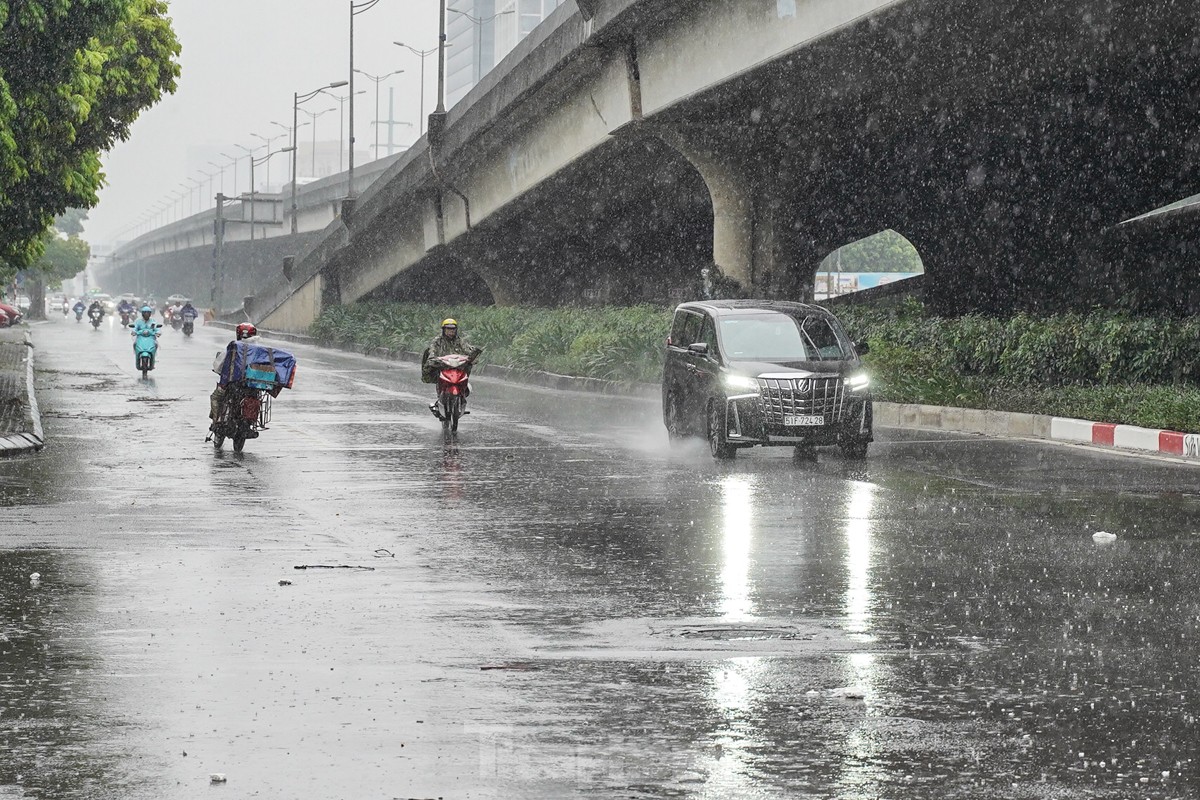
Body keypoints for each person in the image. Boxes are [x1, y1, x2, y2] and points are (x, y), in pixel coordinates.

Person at [421, 318, 483, 416]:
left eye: (453, 329)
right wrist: (434, 358)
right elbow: (432, 351)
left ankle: (462, 393)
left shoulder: (459, 340)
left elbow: (467, 349)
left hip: (458, 367)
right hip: (443, 366)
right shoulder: (437, 341)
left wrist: (473, 354)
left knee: (466, 371)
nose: (451, 331)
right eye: (448, 329)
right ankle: (439, 399)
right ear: (444, 330)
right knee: (434, 372)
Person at [210, 323, 260, 423]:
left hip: (232, 384)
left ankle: (217, 421)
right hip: (251, 387)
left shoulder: (234, 346)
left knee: (215, 397)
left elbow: (219, 364)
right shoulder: (259, 350)